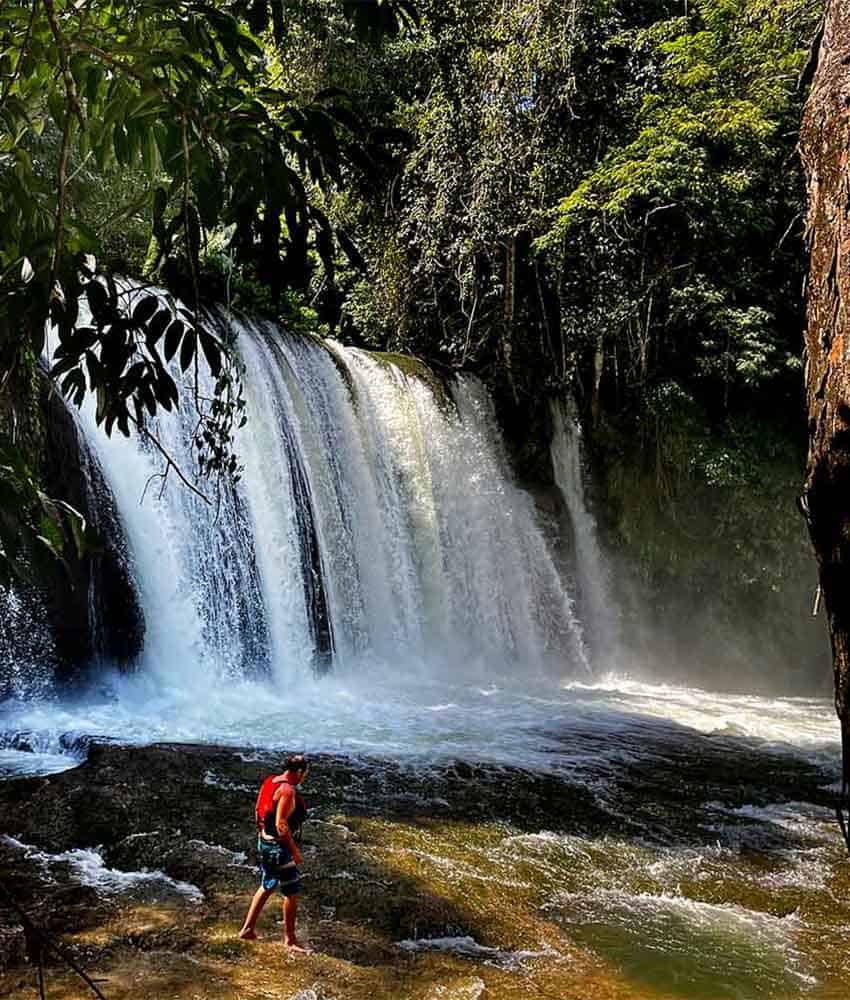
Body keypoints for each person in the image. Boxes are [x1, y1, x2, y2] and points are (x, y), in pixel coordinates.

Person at [239, 754, 309, 951]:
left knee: (267, 885)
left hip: (264, 842)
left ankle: (247, 929)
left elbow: (258, 809)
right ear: (299, 772)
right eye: (305, 773)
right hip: (279, 848)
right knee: (292, 893)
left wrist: (261, 832)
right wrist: (294, 851)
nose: (304, 777)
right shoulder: (287, 791)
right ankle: (290, 940)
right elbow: (281, 825)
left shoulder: (270, 780)